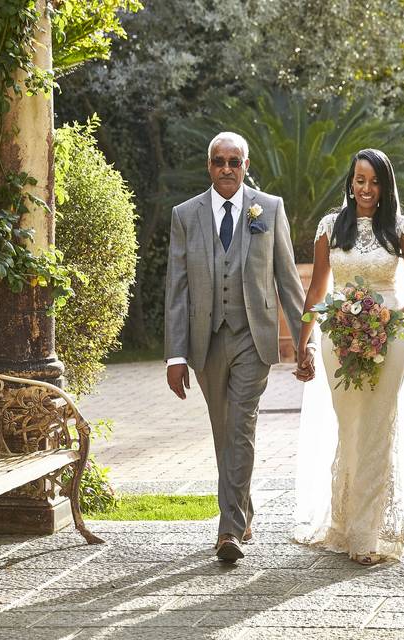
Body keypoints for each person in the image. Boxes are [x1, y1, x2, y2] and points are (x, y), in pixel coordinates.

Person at [164, 131, 314, 563]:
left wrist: (306, 339)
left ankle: (228, 529)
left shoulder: (269, 208)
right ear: (208, 166)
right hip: (205, 339)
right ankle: (243, 510)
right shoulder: (185, 215)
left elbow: (287, 279)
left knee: (241, 425)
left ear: (246, 165)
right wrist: (176, 355)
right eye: (218, 161)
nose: (226, 169)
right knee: (222, 429)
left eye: (234, 161)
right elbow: (176, 287)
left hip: (254, 336)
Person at [292, 148, 404, 566]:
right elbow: (317, 292)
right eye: (359, 180)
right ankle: (345, 522)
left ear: (384, 185)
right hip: (339, 335)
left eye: (373, 181)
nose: (366, 189)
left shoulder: (401, 229)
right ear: (350, 184)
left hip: (390, 338)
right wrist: (305, 341)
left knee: (377, 426)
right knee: (350, 425)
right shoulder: (330, 228)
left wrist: (388, 318)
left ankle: (368, 534)